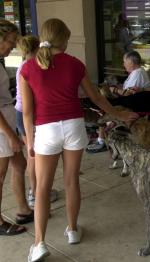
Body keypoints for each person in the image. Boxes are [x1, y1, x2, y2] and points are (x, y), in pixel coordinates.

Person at [19, 18, 136, 262]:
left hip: (46, 129)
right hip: (73, 126)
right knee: (72, 181)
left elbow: (28, 112)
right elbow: (97, 99)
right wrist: (119, 114)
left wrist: (30, 142)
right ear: (63, 38)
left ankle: (39, 243)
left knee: (41, 187)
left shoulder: (28, 68)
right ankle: (72, 230)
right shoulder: (75, 64)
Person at [15, 35, 58, 207]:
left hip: (23, 112)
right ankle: (35, 193)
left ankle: (36, 191)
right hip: (27, 114)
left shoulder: (24, 64)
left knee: (33, 155)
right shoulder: (30, 66)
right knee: (33, 156)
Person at [0, 19, 33, 236]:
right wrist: (11, 135)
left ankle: (22, 209)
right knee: (0, 175)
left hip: (7, 116)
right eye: (11, 41)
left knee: (19, 165)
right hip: (2, 124)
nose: (13, 46)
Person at [86, 50, 150, 153]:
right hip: (131, 103)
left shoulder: (138, 73)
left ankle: (102, 140)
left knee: (104, 108)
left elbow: (128, 93)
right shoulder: (136, 73)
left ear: (131, 62)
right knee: (103, 105)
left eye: (125, 62)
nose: (123, 64)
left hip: (134, 107)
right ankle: (102, 138)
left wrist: (114, 90)